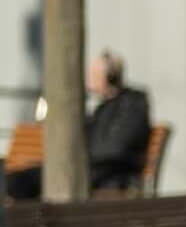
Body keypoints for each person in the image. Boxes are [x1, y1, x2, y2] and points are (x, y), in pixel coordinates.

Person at [6, 53, 153, 201]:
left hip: (110, 175)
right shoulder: (103, 107)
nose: (88, 78)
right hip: (91, 169)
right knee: (19, 179)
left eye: (93, 74)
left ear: (110, 77)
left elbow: (113, 148)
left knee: (27, 181)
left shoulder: (131, 104)